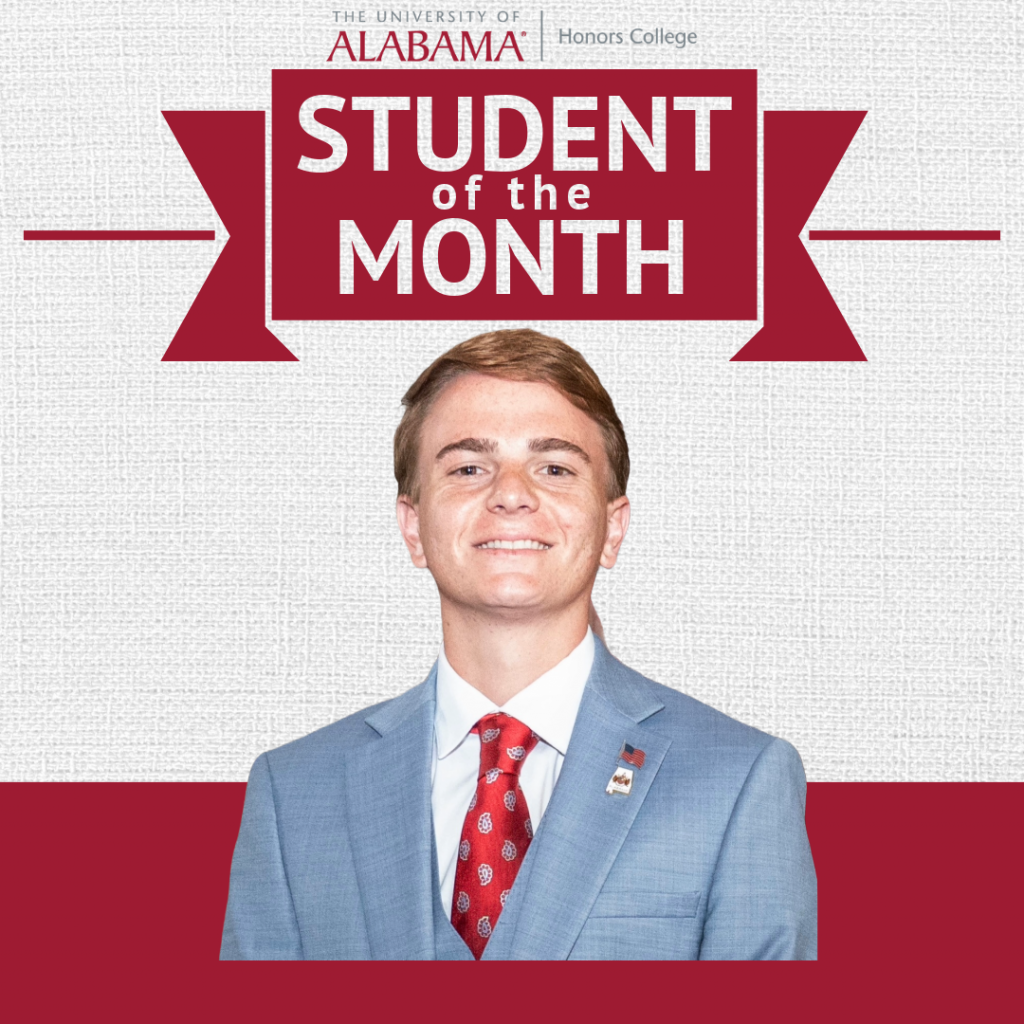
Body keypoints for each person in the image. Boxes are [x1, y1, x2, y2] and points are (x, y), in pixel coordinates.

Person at [220, 329, 817, 960]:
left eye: (554, 467)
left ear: (613, 530)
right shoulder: (293, 794)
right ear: (413, 527)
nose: (510, 493)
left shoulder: (738, 781)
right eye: (469, 467)